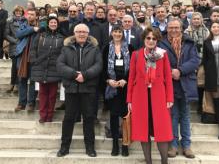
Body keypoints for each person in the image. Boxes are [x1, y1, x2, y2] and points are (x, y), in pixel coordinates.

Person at [127, 26, 174, 164]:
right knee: (143, 131)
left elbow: (168, 77)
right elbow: (131, 78)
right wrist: (129, 99)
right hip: (140, 97)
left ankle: (164, 161)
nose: (151, 40)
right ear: (144, 39)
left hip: (159, 96)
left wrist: (170, 97)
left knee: (162, 131)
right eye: (148, 38)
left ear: (157, 40)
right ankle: (148, 162)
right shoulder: (136, 55)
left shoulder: (163, 54)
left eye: (154, 38)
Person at [56, 24, 102, 158]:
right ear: (74, 33)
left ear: (88, 34)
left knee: (89, 118)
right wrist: (75, 75)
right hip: (71, 89)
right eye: (79, 32)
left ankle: (90, 147)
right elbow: (60, 65)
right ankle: (64, 147)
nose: (81, 34)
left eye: (84, 32)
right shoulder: (66, 49)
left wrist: (85, 75)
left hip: (88, 89)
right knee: (69, 118)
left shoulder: (95, 48)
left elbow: (98, 65)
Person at [158, 18, 199, 159]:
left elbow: (195, 60)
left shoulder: (189, 42)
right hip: (169, 84)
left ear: (181, 28)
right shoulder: (161, 43)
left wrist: (180, 71)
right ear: (167, 29)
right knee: (173, 116)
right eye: (171, 28)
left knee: (185, 115)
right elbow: (157, 60)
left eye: (176, 27)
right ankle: (173, 145)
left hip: (185, 82)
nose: (174, 30)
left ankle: (187, 145)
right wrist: (170, 71)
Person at [102, 24, 133, 156]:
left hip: (126, 86)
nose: (117, 34)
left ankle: (125, 144)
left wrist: (125, 79)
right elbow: (102, 68)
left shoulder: (130, 48)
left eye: (119, 32)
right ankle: (115, 143)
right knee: (114, 116)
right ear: (112, 33)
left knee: (126, 116)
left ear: (123, 33)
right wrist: (109, 80)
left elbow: (133, 67)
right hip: (112, 87)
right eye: (115, 31)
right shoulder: (106, 48)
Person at [30, 16, 64, 123]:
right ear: (48, 24)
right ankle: (43, 115)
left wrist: (60, 64)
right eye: (51, 22)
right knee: (43, 93)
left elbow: (63, 53)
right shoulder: (41, 35)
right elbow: (33, 49)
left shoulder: (61, 38)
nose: (53, 24)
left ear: (57, 25)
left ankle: (50, 115)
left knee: (52, 95)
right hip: (41, 67)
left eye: (55, 22)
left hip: (54, 68)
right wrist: (34, 61)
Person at [14, 8, 40, 111]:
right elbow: (18, 35)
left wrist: (35, 29)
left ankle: (31, 104)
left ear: (36, 16)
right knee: (22, 80)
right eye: (28, 14)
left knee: (33, 81)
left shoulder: (41, 26)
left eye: (32, 14)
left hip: (35, 57)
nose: (30, 16)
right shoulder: (23, 25)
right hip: (22, 56)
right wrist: (32, 29)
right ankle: (21, 103)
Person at [4, 5, 26, 94]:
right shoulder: (9, 21)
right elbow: (6, 34)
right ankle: (12, 83)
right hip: (14, 46)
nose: (18, 13)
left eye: (20, 11)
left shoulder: (25, 21)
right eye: (17, 11)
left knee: (20, 66)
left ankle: (17, 84)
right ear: (14, 12)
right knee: (14, 66)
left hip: (23, 45)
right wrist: (15, 41)